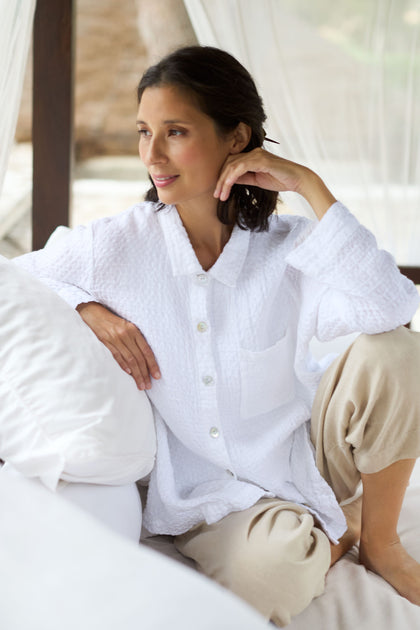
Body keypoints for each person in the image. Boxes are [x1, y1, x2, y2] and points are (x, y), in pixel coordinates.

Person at [15, 46, 420, 626]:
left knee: (399, 353)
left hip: (301, 458)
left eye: (174, 132)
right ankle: (341, 526)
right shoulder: (117, 246)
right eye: (143, 132)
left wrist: (308, 183)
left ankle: (378, 542)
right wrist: (85, 308)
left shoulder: (289, 245)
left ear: (237, 138)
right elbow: (18, 279)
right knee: (266, 577)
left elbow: (394, 305)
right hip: (207, 497)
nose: (151, 154)